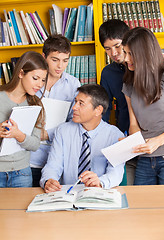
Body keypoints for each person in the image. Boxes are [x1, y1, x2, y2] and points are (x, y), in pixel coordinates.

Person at [122, 27, 164, 185]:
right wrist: (132, 141)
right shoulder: (128, 84)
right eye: (125, 52)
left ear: (144, 54)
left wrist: (158, 141)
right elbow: (133, 123)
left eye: (130, 54)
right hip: (145, 158)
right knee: (141, 206)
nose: (126, 59)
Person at [40, 84, 125, 192]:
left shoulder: (115, 135)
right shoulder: (63, 131)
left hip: (99, 193)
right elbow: (53, 165)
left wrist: (99, 182)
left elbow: (116, 172)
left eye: (81, 104)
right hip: (67, 194)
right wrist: (49, 180)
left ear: (98, 110)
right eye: (75, 102)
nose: (74, 107)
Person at [30, 34, 81, 187]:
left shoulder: (73, 84)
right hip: (29, 159)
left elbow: (76, 122)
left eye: (65, 61)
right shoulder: (30, 81)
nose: (60, 66)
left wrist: (47, 134)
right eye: (55, 60)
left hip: (58, 159)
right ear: (44, 57)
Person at [0, 51, 48, 188]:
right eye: (35, 78)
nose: (40, 84)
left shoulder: (36, 105)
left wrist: (18, 135)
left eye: (43, 80)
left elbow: (35, 144)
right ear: (21, 73)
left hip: (22, 173)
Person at [99, 19, 135, 185]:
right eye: (108, 48)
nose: (113, 53)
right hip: (124, 141)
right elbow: (104, 110)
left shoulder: (142, 67)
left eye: (118, 45)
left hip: (153, 138)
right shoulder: (107, 73)